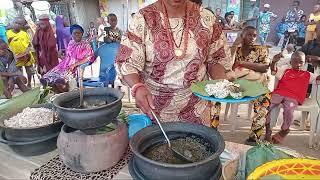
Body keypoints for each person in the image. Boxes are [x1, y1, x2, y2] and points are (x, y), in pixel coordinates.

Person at [115, 0, 232, 127]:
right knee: (156, 146)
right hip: (153, 108)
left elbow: (217, 58)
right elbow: (127, 62)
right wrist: (137, 87)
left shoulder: (207, 19)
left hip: (197, 108)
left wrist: (223, 85)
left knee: (198, 145)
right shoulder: (143, 19)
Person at [265, 51, 319, 144]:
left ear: (304, 63)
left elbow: (318, 78)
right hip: (279, 93)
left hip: (294, 97)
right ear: (290, 62)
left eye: (301, 62)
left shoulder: (307, 74)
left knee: (289, 110)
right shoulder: (285, 71)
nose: (298, 64)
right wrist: (273, 62)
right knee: (266, 106)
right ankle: (267, 130)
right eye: (295, 62)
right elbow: (273, 71)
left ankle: (284, 130)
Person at [232, 26, 271, 144]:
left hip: (256, 85)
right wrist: (234, 45)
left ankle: (254, 137)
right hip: (238, 86)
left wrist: (242, 63)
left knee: (264, 104)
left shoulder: (261, 49)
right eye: (249, 35)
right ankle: (213, 129)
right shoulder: (235, 50)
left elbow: (265, 67)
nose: (252, 38)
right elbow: (228, 64)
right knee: (214, 98)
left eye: (254, 35)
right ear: (242, 36)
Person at [40, 24, 95, 93]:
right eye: (75, 33)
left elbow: (88, 58)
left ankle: (64, 94)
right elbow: (68, 56)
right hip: (64, 65)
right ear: (71, 34)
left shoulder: (85, 45)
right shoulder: (71, 43)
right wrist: (61, 56)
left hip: (74, 67)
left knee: (60, 80)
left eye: (79, 33)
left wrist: (74, 65)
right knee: (46, 78)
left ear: (82, 34)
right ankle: (59, 94)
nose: (77, 35)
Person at [6, 17, 35, 88]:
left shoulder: (24, 33)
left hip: (26, 56)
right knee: (17, 71)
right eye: (16, 23)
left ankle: (29, 83)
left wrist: (27, 52)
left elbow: (29, 44)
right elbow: (7, 46)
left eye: (20, 24)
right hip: (15, 56)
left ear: (22, 26)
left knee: (29, 70)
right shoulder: (8, 33)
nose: (18, 25)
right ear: (13, 23)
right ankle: (20, 83)